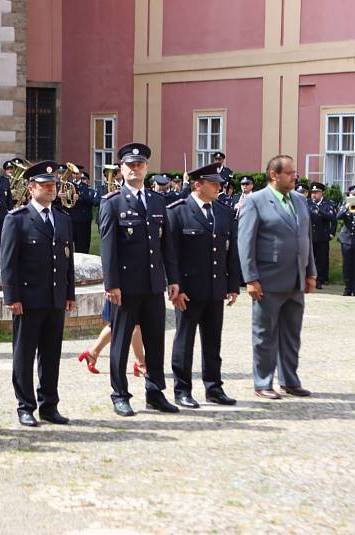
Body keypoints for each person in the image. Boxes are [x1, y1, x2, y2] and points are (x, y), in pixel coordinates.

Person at [99, 142, 180, 417]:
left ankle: (155, 392)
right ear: (121, 169)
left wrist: (173, 279)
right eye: (130, 165)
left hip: (154, 284)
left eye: (140, 164)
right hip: (126, 286)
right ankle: (120, 394)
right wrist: (111, 284)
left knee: (156, 340)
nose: (135, 169)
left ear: (146, 168)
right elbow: (108, 248)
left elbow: (166, 245)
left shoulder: (157, 200)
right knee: (120, 341)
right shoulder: (112, 202)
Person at [1, 160, 75, 426]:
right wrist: (12, 297)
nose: (51, 189)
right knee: (24, 354)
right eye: (45, 185)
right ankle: (25, 405)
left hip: (55, 298)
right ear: (31, 188)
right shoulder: (17, 219)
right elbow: (9, 262)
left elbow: (68, 259)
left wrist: (70, 293)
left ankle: (49, 405)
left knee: (51, 353)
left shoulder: (63, 219)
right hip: (29, 299)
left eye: (53, 185)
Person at [237, 155, 315, 400]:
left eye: (295, 172)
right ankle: (263, 382)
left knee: (292, 334)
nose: (295, 176)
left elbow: (306, 239)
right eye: (290, 173)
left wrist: (310, 272)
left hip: (295, 279)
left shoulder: (300, 201)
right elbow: (245, 242)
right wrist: (250, 279)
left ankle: (290, 380)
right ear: (274, 175)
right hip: (267, 281)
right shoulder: (256, 201)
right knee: (265, 334)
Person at [166, 164, 240, 408]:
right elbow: (172, 254)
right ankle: (182, 389)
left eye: (219, 183)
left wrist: (232, 285)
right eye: (213, 183)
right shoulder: (178, 212)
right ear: (198, 184)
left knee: (213, 341)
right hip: (189, 290)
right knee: (185, 341)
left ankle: (214, 387)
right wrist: (175, 285)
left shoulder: (223, 212)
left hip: (215, 287)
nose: (219, 187)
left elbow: (231, 251)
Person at [307, 182, 337, 289]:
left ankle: (319, 280)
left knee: (321, 260)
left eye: (317, 192)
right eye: (313, 193)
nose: (314, 195)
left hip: (322, 236)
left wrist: (332, 233)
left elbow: (333, 219)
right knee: (309, 259)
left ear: (322, 193)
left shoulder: (328, 204)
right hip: (309, 236)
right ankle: (309, 279)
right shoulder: (307, 203)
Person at [70, 171, 97, 253]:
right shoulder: (68, 185)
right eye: (73, 173)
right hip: (71, 218)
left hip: (83, 220)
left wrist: (80, 197)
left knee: (83, 245)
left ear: (80, 174)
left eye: (77, 173)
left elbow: (91, 201)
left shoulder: (86, 187)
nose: (75, 175)